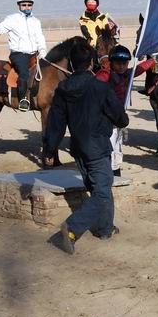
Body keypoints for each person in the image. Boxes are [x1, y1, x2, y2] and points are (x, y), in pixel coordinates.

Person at [43, 41, 129, 255]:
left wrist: (50, 150)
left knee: (99, 187)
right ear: (91, 62)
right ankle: (71, 229)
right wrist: (118, 118)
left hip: (78, 148)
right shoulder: (100, 87)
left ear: (72, 63)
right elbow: (121, 118)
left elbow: (55, 122)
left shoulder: (62, 89)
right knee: (100, 192)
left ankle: (105, 228)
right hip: (97, 148)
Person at [95, 45, 154, 179]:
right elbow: (95, 86)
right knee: (109, 144)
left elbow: (138, 69)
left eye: (124, 63)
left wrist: (153, 61)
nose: (121, 66)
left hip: (119, 116)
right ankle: (107, 171)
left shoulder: (127, 73)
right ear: (111, 62)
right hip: (106, 117)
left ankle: (116, 169)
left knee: (118, 144)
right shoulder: (105, 74)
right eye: (118, 63)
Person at [0, 0, 47, 112]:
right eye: (24, 5)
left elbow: (40, 37)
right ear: (19, 6)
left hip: (34, 53)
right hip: (19, 54)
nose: (26, 7)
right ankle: (23, 100)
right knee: (24, 74)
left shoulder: (36, 21)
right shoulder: (12, 19)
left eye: (29, 5)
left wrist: (42, 51)